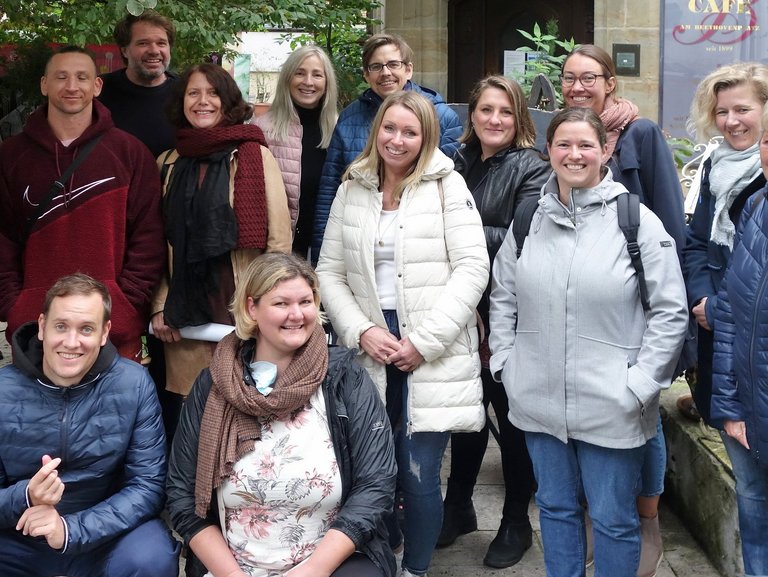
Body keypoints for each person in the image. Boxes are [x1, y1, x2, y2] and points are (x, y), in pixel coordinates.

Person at [489, 107, 688, 577]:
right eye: (563, 144)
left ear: (605, 151)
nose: (574, 154)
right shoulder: (527, 220)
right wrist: (506, 365)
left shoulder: (636, 222)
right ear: (548, 151)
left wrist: (640, 385)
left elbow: (670, 310)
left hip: (613, 402)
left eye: (585, 145)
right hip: (537, 398)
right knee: (556, 510)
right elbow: (504, 296)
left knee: (614, 519)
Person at [316, 90, 489, 577]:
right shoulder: (354, 185)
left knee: (418, 474)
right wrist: (360, 329)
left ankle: (415, 569)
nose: (397, 139)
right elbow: (329, 271)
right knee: (370, 469)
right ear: (377, 132)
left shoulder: (447, 187)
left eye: (410, 132)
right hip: (371, 342)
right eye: (389, 129)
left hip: (430, 345)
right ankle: (380, 554)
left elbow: (474, 268)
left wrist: (425, 342)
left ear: (426, 136)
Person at [166, 252, 397, 577]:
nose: (296, 314)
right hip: (232, 566)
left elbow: (376, 483)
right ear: (251, 308)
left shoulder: (344, 379)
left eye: (305, 301)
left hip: (328, 565)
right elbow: (181, 492)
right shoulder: (215, 384)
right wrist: (232, 575)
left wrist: (313, 571)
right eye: (281, 303)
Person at [561, 44, 688, 576]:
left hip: (636, 300)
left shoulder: (641, 133)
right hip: (583, 299)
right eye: (569, 78)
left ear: (609, 83)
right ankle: (600, 513)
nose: (578, 87)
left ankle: (647, 516)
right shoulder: (565, 135)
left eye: (590, 78)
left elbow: (670, 221)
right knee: (592, 413)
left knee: (644, 412)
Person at [437, 75, 550, 568]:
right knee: (465, 411)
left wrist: (449, 230)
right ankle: (458, 505)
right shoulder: (456, 161)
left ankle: (514, 521)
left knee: (511, 416)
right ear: (473, 115)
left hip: (506, 312)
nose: (494, 120)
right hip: (457, 307)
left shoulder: (533, 168)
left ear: (519, 117)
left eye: (505, 111)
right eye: (485, 110)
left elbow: (522, 237)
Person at [0, 273, 179, 576]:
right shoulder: (3, 390)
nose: (72, 342)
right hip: (20, 535)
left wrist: (70, 530)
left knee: (153, 556)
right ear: (42, 327)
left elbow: (147, 486)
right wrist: (26, 496)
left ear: (104, 332)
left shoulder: (132, 384)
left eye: (86, 329)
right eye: (61, 326)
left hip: (103, 534)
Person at [0, 46, 164, 361]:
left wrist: (124, 306)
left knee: (115, 412)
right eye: (61, 77)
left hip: (111, 327)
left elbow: (149, 240)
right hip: (35, 331)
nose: (72, 86)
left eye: (81, 77)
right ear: (44, 84)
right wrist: (15, 305)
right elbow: (2, 240)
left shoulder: (130, 153)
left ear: (97, 86)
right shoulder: (11, 157)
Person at [151, 63, 291, 428]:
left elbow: (278, 243)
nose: (202, 101)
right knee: (193, 419)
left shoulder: (254, 157)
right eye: (193, 93)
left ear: (227, 102)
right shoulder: (167, 164)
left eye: (212, 93)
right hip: (184, 312)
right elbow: (154, 246)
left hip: (241, 307)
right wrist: (160, 305)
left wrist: (270, 310)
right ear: (181, 102)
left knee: (246, 417)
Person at [687, 65, 768, 577]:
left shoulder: (764, 174)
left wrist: (721, 308)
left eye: (743, 109)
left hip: (748, 333)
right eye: (723, 111)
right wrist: (701, 298)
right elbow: (696, 240)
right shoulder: (714, 165)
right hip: (722, 342)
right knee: (750, 488)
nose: (732, 120)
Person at [311, 33, 463, 261]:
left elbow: (454, 192)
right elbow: (330, 189)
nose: (386, 73)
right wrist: (322, 256)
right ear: (366, 74)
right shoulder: (349, 118)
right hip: (361, 246)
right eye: (376, 66)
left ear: (408, 69)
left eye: (393, 64)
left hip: (421, 252)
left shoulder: (442, 117)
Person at [253, 45, 339, 258]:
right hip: (279, 249)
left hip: (328, 248)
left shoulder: (340, 128)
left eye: (317, 75)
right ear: (287, 79)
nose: (308, 82)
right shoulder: (263, 128)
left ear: (327, 82)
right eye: (300, 73)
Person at [98, 9, 178, 157]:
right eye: (143, 43)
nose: (154, 51)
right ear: (124, 51)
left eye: (161, 43)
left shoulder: (186, 92)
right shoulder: (98, 90)